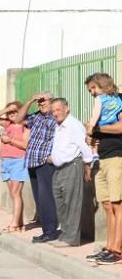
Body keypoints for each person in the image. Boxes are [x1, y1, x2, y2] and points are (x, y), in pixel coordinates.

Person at [84, 73, 122, 264]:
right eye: (89, 90)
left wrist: (97, 129)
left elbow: (120, 127)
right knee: (107, 206)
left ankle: (117, 250)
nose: (91, 93)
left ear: (102, 84)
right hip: (101, 158)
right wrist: (89, 137)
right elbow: (91, 134)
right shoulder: (99, 104)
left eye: (93, 88)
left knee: (117, 205)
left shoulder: (119, 100)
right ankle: (109, 247)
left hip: (117, 157)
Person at [47, 98, 94, 247]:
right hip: (59, 169)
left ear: (66, 108)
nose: (55, 113)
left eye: (58, 109)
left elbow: (84, 146)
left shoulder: (74, 125)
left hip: (72, 166)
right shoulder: (58, 126)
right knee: (60, 202)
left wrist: (87, 166)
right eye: (52, 110)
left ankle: (72, 238)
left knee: (72, 202)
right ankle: (66, 233)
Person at [21, 92, 59, 242]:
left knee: (46, 198)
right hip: (32, 162)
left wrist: (53, 156)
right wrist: (30, 99)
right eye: (40, 102)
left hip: (44, 163)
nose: (41, 104)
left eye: (45, 101)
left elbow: (62, 138)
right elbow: (19, 119)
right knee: (38, 199)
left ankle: (50, 231)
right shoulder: (36, 116)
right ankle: (46, 230)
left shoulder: (55, 118)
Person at [0, 102, 29, 232]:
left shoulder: (25, 126)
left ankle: (14, 224)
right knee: (14, 195)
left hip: (18, 161)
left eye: (15, 111)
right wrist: (6, 109)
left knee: (15, 193)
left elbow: (25, 145)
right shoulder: (8, 124)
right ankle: (19, 222)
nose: (12, 114)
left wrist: (10, 140)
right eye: (10, 112)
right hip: (6, 162)